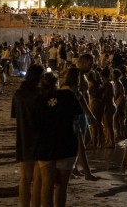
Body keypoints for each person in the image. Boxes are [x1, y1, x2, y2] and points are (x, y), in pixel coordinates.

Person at [36, 71, 84, 207]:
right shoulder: (68, 95)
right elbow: (77, 117)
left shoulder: (39, 98)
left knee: (47, 185)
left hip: (45, 144)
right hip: (66, 143)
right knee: (62, 186)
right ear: (57, 82)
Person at [11, 64, 45, 207]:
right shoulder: (41, 94)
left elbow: (14, 115)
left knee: (25, 177)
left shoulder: (18, 94)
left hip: (24, 137)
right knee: (37, 178)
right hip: (40, 137)